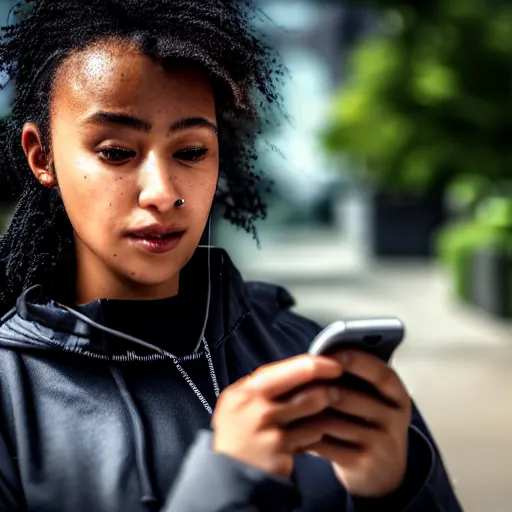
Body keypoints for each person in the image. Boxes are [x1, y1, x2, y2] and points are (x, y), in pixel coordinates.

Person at [0, 1, 463, 511]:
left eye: (192, 151)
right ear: (41, 156)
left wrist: (392, 490)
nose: (162, 192)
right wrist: (225, 485)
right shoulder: (9, 397)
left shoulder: (304, 356)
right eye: (116, 152)